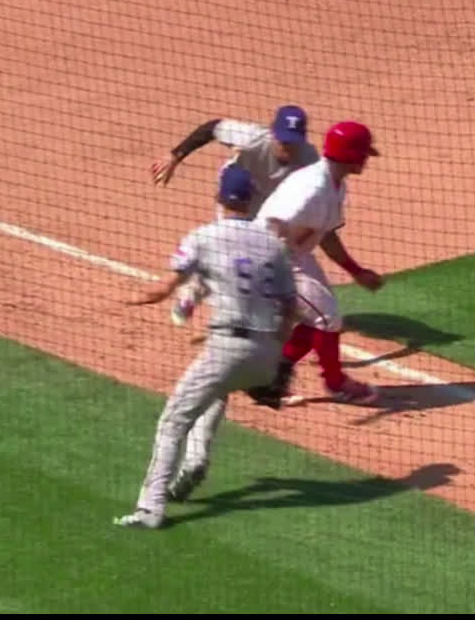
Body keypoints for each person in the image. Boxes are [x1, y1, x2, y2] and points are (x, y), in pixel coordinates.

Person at [115, 164, 298, 529]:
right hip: (265, 353)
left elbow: (167, 287)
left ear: (219, 197)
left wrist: (136, 298)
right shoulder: (273, 245)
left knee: (172, 421)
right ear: (251, 201)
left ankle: (150, 510)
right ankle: (196, 459)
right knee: (216, 389)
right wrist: (275, 351)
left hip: (228, 345)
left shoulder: (204, 236)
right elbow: (290, 306)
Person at [244, 119, 385, 408]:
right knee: (327, 318)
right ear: (351, 154)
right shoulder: (311, 190)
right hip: (272, 256)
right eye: (364, 154)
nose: (366, 160)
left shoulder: (335, 185)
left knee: (321, 317)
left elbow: (326, 235)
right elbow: (274, 224)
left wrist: (356, 272)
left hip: (295, 254)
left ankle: (269, 375)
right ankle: (336, 385)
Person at [150, 105, 320, 327]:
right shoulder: (252, 138)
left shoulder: (310, 159)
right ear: (273, 133)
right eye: (284, 141)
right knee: (228, 248)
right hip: (238, 189)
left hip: (273, 202)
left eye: (294, 143)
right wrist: (175, 156)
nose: (288, 148)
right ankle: (191, 292)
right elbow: (212, 128)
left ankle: (267, 307)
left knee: (270, 253)